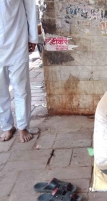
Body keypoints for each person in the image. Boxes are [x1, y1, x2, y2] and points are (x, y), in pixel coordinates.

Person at [0, 0, 38, 142]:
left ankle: (23, 126)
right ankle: (7, 126)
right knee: (0, 90)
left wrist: (33, 36)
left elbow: (30, 6)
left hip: (17, 41)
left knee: (21, 88)